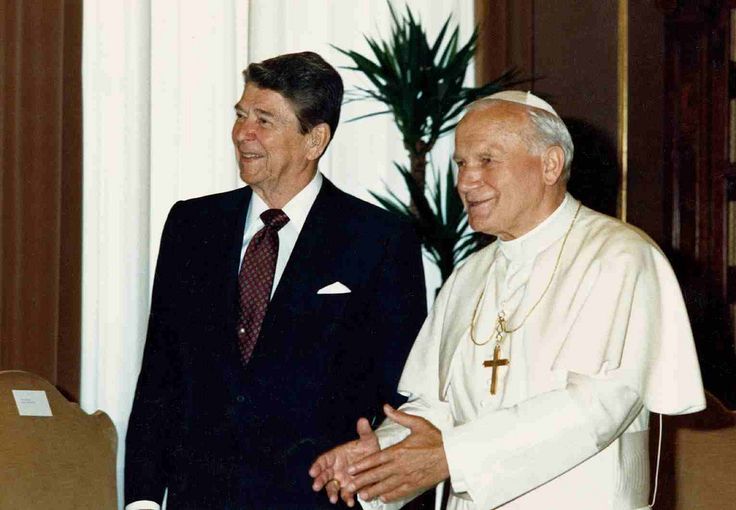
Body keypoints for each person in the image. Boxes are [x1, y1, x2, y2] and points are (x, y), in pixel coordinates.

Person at [309, 90, 706, 510]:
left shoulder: (620, 256)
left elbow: (596, 408)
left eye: (487, 160)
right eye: (461, 163)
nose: (465, 180)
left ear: (550, 164)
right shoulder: (469, 275)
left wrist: (452, 457)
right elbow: (436, 407)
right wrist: (379, 461)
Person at [124, 51, 427, 510]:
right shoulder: (192, 226)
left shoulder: (379, 240)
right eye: (241, 115)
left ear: (315, 140)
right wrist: (143, 501)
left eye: (264, 120)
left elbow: (400, 393)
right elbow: (159, 378)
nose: (243, 133)